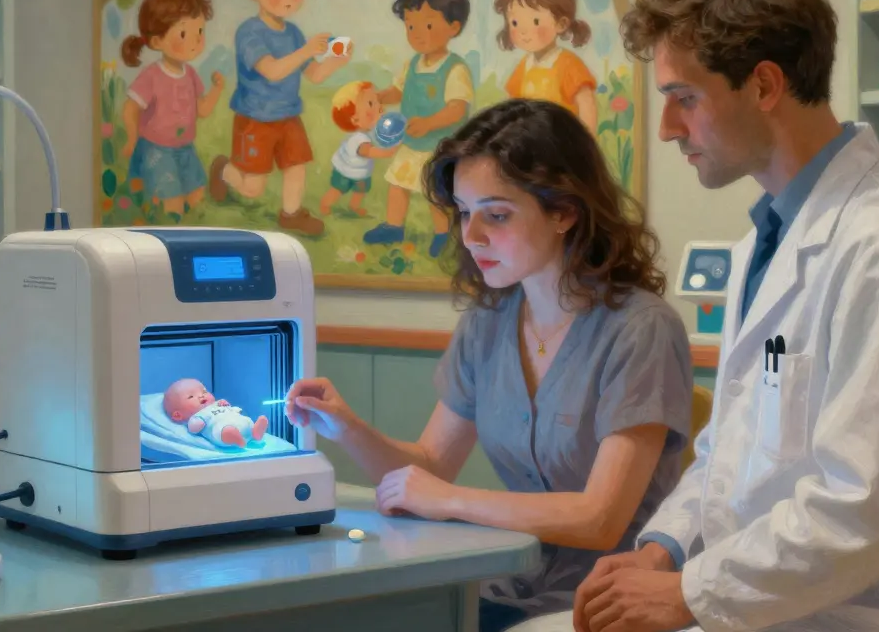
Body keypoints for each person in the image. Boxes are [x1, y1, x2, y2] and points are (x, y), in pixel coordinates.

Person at [570, 0, 879, 632]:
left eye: (683, 99)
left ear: (764, 84)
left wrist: (690, 593)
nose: (668, 130)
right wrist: (664, 549)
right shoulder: (767, 239)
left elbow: (868, 512)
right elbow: (729, 450)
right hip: (762, 611)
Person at [287, 99, 694, 631]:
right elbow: (429, 469)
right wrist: (346, 427)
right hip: (511, 586)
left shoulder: (642, 329)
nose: (471, 235)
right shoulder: (489, 320)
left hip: (608, 601)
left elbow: (598, 519)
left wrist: (450, 501)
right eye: (462, 211)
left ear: (565, 211)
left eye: (496, 214)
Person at [208, 0, 350, 237]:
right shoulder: (250, 33)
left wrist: (336, 61)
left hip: (287, 116)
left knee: (296, 166)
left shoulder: (294, 33)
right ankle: (223, 169)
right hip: (255, 119)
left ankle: (291, 215)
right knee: (252, 188)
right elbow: (272, 70)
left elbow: (312, 74)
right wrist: (307, 50)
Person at [363, 0, 474, 258]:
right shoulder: (412, 64)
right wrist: (378, 96)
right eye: (411, 26)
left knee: (435, 194)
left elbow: (457, 108)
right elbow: (398, 91)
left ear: (453, 27)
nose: (417, 34)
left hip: (440, 147)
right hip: (412, 143)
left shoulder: (455, 69)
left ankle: (442, 235)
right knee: (397, 184)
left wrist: (429, 123)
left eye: (427, 25)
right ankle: (393, 226)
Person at [119, 0, 224, 221]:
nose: (196, 41)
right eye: (185, 34)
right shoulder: (152, 76)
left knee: (197, 200)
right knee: (172, 208)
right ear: (157, 42)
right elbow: (130, 108)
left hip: (185, 149)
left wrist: (217, 89)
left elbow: (203, 110)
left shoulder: (191, 75)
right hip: (157, 150)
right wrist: (132, 138)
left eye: (200, 31)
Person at [494, 0, 598, 131]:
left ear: (561, 24)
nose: (523, 31)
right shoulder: (524, 66)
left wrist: (585, 147)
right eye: (515, 23)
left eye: (535, 21)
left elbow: (587, 107)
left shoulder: (569, 65)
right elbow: (512, 108)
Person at [320, 80, 394, 217]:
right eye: (371, 104)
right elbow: (368, 151)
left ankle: (354, 207)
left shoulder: (366, 132)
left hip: (361, 173)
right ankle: (325, 204)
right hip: (345, 172)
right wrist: (389, 152)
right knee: (338, 189)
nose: (379, 106)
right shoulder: (358, 139)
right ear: (355, 120)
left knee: (360, 190)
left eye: (377, 101)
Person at [162, 378, 269, 449]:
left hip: (237, 420)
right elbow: (194, 429)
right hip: (222, 428)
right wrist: (199, 423)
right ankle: (239, 441)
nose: (201, 396)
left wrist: (225, 404)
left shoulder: (217, 404)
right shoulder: (198, 416)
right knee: (224, 430)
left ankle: (255, 432)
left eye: (204, 392)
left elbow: (233, 410)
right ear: (178, 415)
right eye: (191, 396)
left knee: (246, 421)